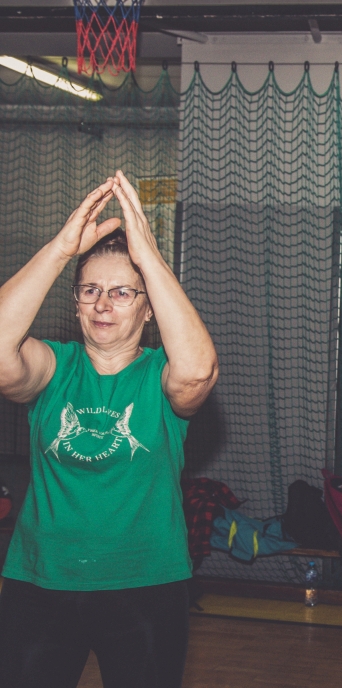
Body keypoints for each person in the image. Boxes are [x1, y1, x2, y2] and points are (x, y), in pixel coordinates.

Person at [0, 172, 218, 687]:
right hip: (42, 582)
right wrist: (61, 250)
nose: (103, 304)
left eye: (122, 292)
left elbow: (198, 373)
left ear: (148, 308)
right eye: (91, 291)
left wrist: (148, 257)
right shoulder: (52, 367)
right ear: (75, 301)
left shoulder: (160, 375)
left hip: (145, 585)